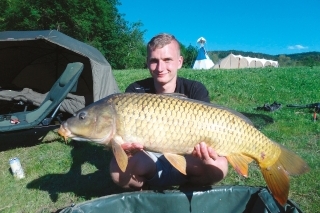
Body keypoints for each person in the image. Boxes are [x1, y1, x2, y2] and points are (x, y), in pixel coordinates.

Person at [109, 33, 228, 190]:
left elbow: (208, 132)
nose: (160, 68)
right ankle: (147, 191)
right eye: (154, 61)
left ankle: (187, 187)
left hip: (188, 158)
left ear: (179, 62)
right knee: (117, 172)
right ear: (147, 63)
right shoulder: (135, 91)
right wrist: (128, 152)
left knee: (219, 166)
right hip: (149, 158)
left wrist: (206, 152)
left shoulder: (195, 89)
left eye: (167, 60)